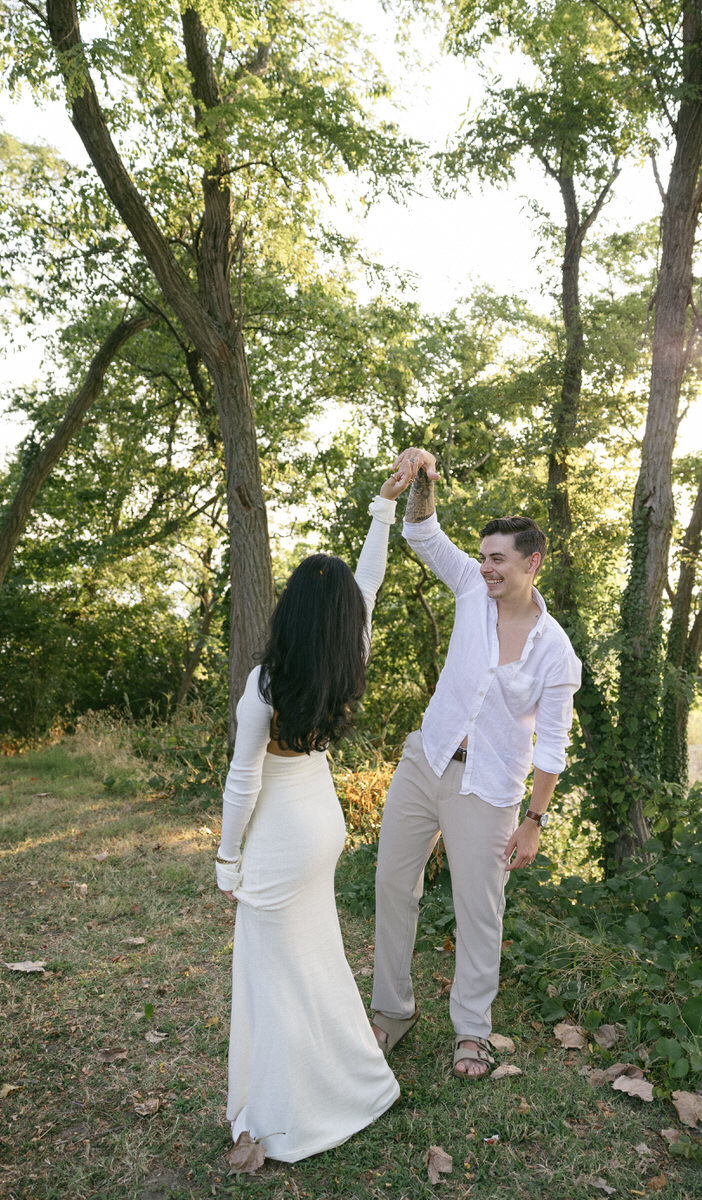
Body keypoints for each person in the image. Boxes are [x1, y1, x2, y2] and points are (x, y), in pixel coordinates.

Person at [214, 463, 413, 1161]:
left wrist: (225, 858)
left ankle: (280, 1119)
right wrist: (381, 512)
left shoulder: (265, 681)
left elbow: (243, 780)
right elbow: (368, 585)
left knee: (271, 980)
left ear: (289, 610)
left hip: (277, 836)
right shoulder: (346, 652)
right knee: (317, 961)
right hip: (323, 823)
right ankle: (352, 1086)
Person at [371, 447, 582, 1078]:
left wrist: (535, 822)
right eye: (483, 556)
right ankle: (391, 1014)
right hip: (426, 760)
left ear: (531, 562)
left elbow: (552, 745)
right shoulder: (468, 587)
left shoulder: (555, 651)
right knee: (391, 885)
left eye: (498, 558)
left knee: (478, 909)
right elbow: (421, 533)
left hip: (488, 788)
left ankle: (471, 1032)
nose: (485, 567)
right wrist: (422, 481)